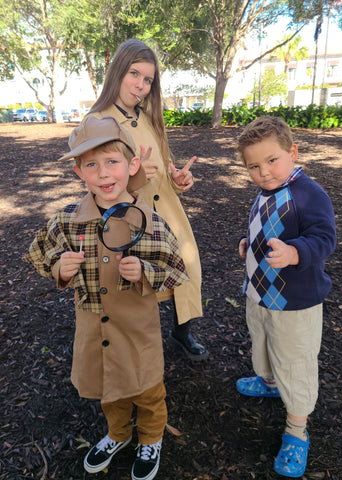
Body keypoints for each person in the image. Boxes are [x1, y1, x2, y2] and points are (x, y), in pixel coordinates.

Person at [24, 115, 189, 480]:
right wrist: (60, 268)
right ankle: (118, 432)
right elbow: (40, 253)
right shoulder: (69, 221)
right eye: (91, 165)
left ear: (131, 165)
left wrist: (146, 273)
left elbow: (177, 269)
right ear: (79, 173)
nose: (103, 173)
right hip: (94, 331)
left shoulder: (149, 221)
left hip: (138, 329)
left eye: (112, 161)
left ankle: (151, 436)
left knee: (147, 390)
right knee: (109, 389)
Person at [88, 38, 208, 361]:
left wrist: (178, 179)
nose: (141, 85)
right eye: (134, 74)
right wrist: (137, 177)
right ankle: (140, 354)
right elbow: (100, 183)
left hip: (167, 208)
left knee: (186, 268)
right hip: (129, 217)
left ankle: (181, 333)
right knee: (141, 284)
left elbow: (165, 167)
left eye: (148, 80)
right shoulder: (98, 122)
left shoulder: (148, 117)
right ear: (117, 72)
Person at [235, 116, 336, 478]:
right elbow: (263, 228)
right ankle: (270, 383)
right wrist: (250, 244)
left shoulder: (309, 193)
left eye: (272, 160)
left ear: (292, 152)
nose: (263, 172)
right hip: (260, 295)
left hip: (294, 302)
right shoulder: (266, 192)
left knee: (294, 360)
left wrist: (295, 253)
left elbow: (325, 237)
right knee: (261, 342)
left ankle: (296, 430)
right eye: (254, 166)